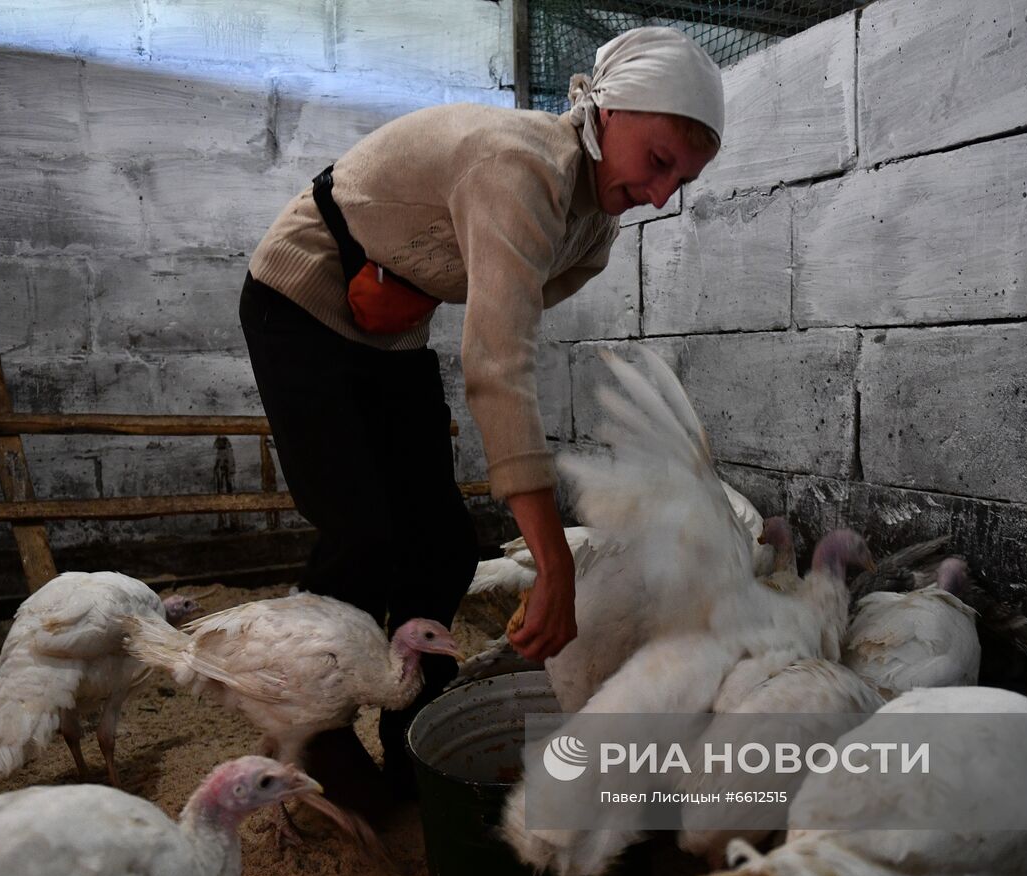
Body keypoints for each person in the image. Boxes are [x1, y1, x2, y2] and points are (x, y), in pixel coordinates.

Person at [238, 26, 724, 812]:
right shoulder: (522, 164)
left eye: (683, 179)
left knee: (441, 542)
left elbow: (496, 308)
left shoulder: (591, 229)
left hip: (386, 322)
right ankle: (317, 725)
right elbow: (497, 367)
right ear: (605, 112)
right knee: (362, 531)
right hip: (301, 298)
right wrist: (552, 562)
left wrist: (412, 286)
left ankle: (417, 726)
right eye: (659, 160)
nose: (662, 194)